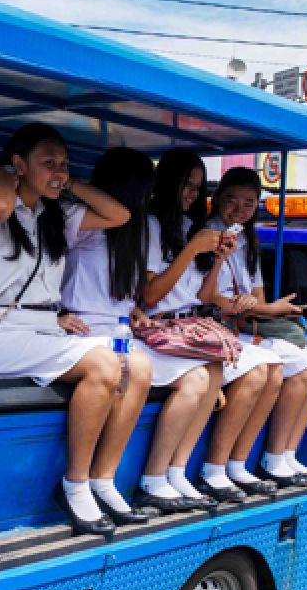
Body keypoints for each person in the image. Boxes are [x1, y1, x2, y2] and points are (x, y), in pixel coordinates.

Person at [0, 123, 151, 536]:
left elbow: (119, 214)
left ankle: (103, 478)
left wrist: (69, 183)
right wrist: (7, 177)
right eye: (48, 162)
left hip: (47, 330)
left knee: (137, 366)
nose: (58, 170)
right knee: (105, 366)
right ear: (18, 164)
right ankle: (75, 483)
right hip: (2, 334)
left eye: (64, 163)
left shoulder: (58, 215)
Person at [60, 147, 219, 514]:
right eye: (143, 188)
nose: (148, 198)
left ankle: (111, 477)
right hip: (86, 329)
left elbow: (124, 294)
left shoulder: (130, 233)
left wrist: (133, 311)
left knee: (202, 373)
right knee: (139, 368)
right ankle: (98, 479)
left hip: (119, 330)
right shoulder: (85, 223)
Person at [140, 149, 282, 505]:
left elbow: (204, 292)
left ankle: (177, 471)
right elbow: (152, 297)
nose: (190, 193)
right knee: (211, 375)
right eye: (185, 184)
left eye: (196, 187)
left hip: (188, 325)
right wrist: (193, 250)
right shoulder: (151, 224)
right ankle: (159, 475)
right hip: (156, 327)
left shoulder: (191, 227)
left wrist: (217, 259)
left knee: (221, 366)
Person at [200, 167, 307, 487]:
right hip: (214, 325)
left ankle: (282, 455)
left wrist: (265, 308)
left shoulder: (248, 240)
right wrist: (267, 308)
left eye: (248, 203)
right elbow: (206, 296)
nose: (239, 209)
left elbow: (254, 298)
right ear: (216, 199)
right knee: (275, 366)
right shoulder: (206, 235)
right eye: (231, 200)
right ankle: (222, 466)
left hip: (243, 326)